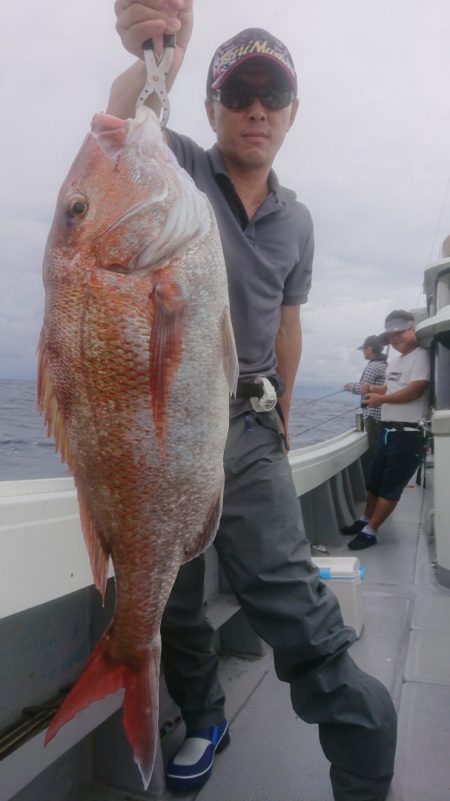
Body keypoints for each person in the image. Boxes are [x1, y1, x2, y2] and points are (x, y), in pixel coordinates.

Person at [109, 4, 397, 799]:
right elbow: (117, 122)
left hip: (248, 422)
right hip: (166, 418)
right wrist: (156, 50)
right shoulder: (179, 166)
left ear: (293, 112)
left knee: (289, 592)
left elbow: (289, 319)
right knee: (176, 594)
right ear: (210, 110)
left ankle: (361, 743)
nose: (257, 109)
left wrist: (280, 411)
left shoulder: (297, 219)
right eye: (239, 94)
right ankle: (204, 713)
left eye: (274, 94)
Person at [345, 310, 430, 550]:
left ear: (412, 328)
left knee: (391, 485)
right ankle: (364, 519)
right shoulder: (396, 360)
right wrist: (373, 389)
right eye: (391, 335)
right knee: (376, 480)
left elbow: (415, 391)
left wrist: (380, 401)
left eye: (400, 332)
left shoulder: (421, 356)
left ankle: (371, 530)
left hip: (408, 434)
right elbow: (392, 387)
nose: (395, 338)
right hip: (388, 430)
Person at [343, 335, 387, 486]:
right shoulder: (385, 364)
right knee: (381, 450)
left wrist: (350, 387)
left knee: (375, 452)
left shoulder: (373, 366)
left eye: (364, 349)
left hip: (373, 416)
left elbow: (364, 387)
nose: (363, 353)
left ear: (370, 349)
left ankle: (375, 486)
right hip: (383, 415)